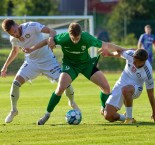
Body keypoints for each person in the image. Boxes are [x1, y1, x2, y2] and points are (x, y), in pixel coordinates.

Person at [23, 22, 125, 125]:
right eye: (73, 38)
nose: (75, 41)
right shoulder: (63, 38)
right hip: (70, 66)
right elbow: (46, 41)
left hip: (86, 65)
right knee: (60, 88)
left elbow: (107, 45)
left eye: (77, 38)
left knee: (106, 87)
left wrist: (123, 50)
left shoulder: (87, 38)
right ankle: (47, 114)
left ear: (81, 34)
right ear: (69, 34)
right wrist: (31, 49)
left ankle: (103, 109)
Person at [1, 19, 79, 124]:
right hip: (31, 63)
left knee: (66, 84)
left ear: (17, 25)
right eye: (12, 33)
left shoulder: (32, 26)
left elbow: (52, 31)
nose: (15, 34)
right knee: (15, 83)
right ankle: (14, 110)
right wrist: (5, 67)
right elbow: (15, 51)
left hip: (48, 61)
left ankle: (72, 102)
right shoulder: (13, 39)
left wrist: (51, 39)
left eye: (15, 31)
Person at [100, 48, 155, 124]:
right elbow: (120, 53)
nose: (133, 62)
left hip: (136, 88)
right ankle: (125, 117)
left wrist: (154, 110)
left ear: (143, 62)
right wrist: (109, 54)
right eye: (133, 60)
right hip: (121, 83)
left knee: (126, 89)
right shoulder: (130, 54)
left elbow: (151, 94)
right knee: (108, 115)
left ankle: (129, 119)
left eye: (136, 62)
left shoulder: (148, 71)